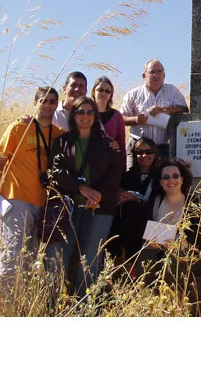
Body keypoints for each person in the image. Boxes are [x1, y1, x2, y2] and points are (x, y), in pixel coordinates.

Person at [0, 86, 65, 293]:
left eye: (52, 101)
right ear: (35, 102)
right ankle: (9, 302)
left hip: (43, 202)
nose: (47, 105)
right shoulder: (18, 128)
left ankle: (24, 301)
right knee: (12, 253)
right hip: (16, 198)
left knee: (30, 254)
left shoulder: (59, 134)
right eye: (43, 100)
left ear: (56, 105)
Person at [49, 96, 122, 297]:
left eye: (90, 112)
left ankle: (86, 306)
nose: (85, 116)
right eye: (81, 111)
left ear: (95, 116)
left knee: (90, 259)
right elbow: (55, 172)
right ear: (74, 115)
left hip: (99, 209)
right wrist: (82, 189)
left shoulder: (108, 143)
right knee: (60, 257)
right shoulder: (62, 141)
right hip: (68, 209)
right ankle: (54, 305)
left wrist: (97, 194)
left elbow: (115, 173)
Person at [135, 158, 196, 289]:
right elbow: (143, 230)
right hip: (154, 249)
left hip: (180, 252)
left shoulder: (193, 203)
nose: (171, 180)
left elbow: (196, 235)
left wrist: (176, 240)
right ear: (161, 182)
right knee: (146, 257)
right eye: (166, 177)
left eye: (175, 176)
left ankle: (174, 299)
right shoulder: (154, 202)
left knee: (172, 262)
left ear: (182, 179)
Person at [121, 59, 188, 165]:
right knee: (131, 179)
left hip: (161, 148)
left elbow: (184, 108)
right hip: (138, 147)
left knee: (161, 179)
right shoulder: (133, 94)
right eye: (152, 72)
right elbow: (121, 118)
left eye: (159, 71)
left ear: (164, 75)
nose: (156, 75)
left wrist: (163, 109)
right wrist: (136, 119)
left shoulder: (172, 91)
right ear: (144, 75)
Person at [108, 137, 159, 276]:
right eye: (139, 152)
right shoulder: (127, 176)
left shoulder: (161, 176)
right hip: (126, 225)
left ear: (155, 154)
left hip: (149, 223)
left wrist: (137, 198)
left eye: (148, 152)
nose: (144, 156)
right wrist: (120, 194)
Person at [92, 76, 127, 170]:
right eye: (100, 90)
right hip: (89, 162)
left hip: (110, 165)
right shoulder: (86, 113)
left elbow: (121, 146)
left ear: (111, 95)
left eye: (107, 91)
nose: (104, 93)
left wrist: (122, 170)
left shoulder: (117, 116)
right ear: (93, 91)